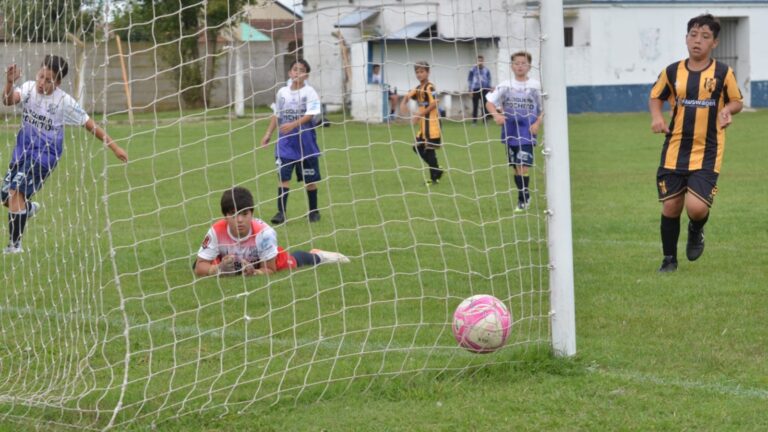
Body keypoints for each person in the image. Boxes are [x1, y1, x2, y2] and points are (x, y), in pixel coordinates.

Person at [1, 55, 128, 254]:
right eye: (41, 77)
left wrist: (115, 147)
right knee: (6, 196)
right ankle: (29, 208)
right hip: (23, 151)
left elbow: (89, 124)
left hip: (44, 156)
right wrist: (9, 83)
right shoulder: (28, 88)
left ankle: (14, 246)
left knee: (15, 192)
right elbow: (8, 101)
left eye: (48, 80)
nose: (42, 83)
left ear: (58, 82)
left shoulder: (64, 101)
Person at [650, 14, 743, 273]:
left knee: (696, 207)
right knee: (670, 205)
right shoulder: (672, 71)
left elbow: (737, 101)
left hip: (708, 151)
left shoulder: (724, 73)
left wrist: (728, 111)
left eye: (704, 37)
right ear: (686, 38)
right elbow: (656, 96)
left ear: (714, 43)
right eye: (693, 35)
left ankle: (696, 228)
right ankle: (669, 260)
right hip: (674, 149)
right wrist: (657, 117)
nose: (697, 41)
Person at [193, 186, 349, 277]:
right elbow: (198, 267)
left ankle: (318, 255)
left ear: (252, 213)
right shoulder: (216, 231)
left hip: (262, 260)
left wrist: (254, 272)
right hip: (230, 259)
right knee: (208, 261)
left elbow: (270, 269)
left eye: (244, 214)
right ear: (225, 216)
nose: (239, 220)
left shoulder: (264, 233)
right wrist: (217, 269)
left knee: (293, 262)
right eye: (233, 215)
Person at [261, 59, 322, 225]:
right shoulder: (282, 93)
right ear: (290, 73)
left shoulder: (310, 93)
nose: (297, 73)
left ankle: (314, 211)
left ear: (306, 75)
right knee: (283, 177)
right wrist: (268, 133)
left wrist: (293, 125)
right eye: (295, 69)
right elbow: (277, 115)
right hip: (285, 144)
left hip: (306, 144)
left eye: (301, 70)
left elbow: (311, 115)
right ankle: (281, 213)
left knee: (310, 181)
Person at [485, 51, 543, 212]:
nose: (520, 66)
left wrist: (538, 122)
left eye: (523, 63)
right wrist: (496, 115)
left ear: (529, 66)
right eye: (516, 63)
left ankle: (522, 200)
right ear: (511, 66)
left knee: (523, 166)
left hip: (527, 132)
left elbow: (544, 108)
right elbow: (489, 102)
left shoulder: (536, 86)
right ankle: (524, 194)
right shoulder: (505, 85)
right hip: (510, 132)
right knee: (516, 167)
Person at [399, 61, 444, 185]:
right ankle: (437, 170)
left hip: (433, 124)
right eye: (417, 72)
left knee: (429, 150)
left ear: (428, 72)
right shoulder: (418, 88)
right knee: (417, 147)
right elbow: (407, 96)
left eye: (422, 72)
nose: (419, 74)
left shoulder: (430, 87)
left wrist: (418, 114)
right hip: (423, 125)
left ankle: (433, 178)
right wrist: (403, 104)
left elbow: (434, 103)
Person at [467, 55, 492, 124]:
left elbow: (489, 79)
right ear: (476, 61)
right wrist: (470, 90)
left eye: (481, 61)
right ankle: (474, 121)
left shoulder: (486, 70)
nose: (480, 62)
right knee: (475, 105)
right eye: (479, 61)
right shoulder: (472, 70)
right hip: (475, 89)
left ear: (483, 61)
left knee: (484, 105)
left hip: (484, 89)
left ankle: (485, 120)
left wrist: (489, 88)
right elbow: (470, 80)